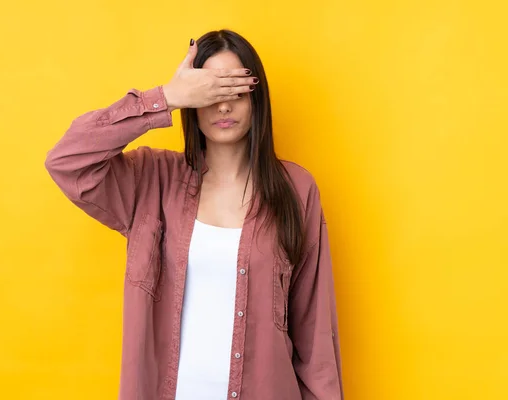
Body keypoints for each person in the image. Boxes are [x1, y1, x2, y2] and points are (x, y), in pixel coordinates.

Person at [45, 29, 343, 400]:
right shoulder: (151, 182)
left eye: (234, 89)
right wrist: (166, 98)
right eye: (210, 91)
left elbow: (316, 337)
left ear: (257, 98)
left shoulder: (296, 189)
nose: (223, 106)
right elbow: (68, 161)